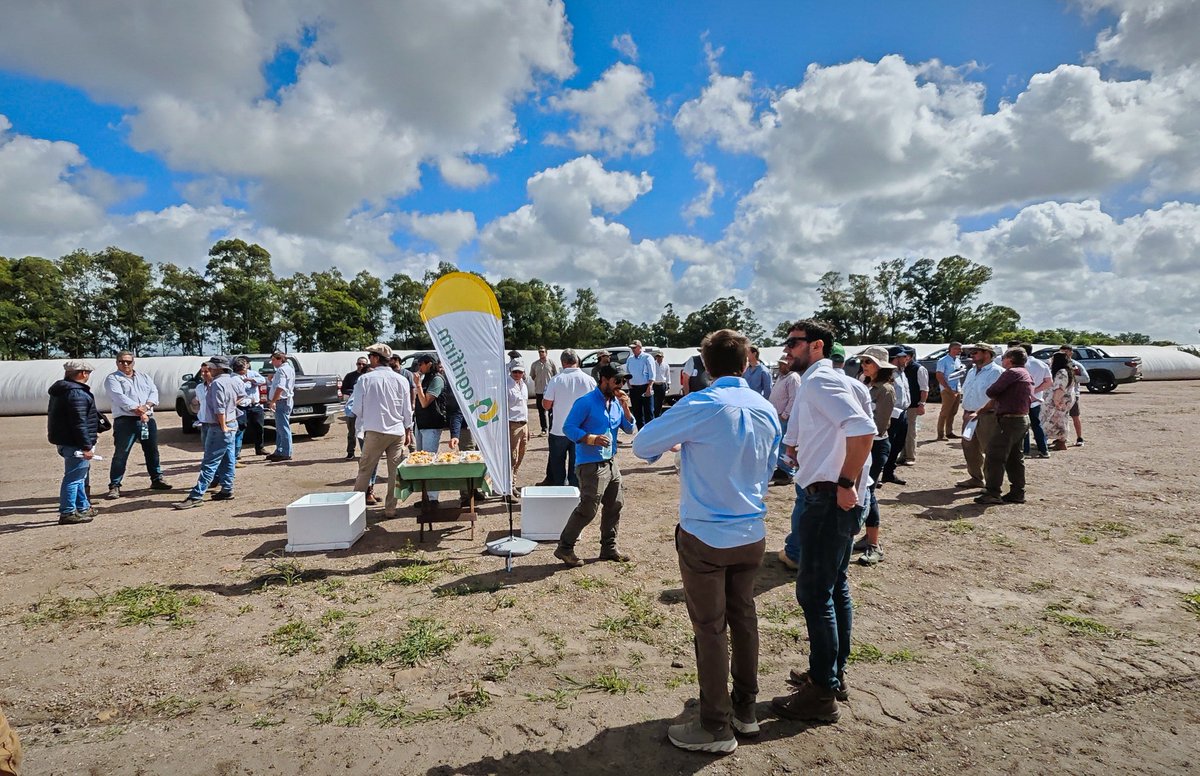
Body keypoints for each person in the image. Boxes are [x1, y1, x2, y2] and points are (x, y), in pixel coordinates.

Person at [631, 329, 780, 753]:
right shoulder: (765, 407)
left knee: (711, 629)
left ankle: (715, 725)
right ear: (747, 363)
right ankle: (745, 710)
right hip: (752, 530)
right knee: (744, 617)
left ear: (704, 365)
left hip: (706, 533)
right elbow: (771, 466)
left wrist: (678, 444)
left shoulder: (701, 403)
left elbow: (643, 444)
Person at [771, 320, 874, 723]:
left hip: (829, 500)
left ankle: (822, 692)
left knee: (816, 595)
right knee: (835, 588)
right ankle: (830, 675)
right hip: (836, 499)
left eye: (794, 343)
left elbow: (863, 432)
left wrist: (845, 481)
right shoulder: (845, 382)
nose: (787, 350)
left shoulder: (819, 382)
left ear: (817, 346)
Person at [554, 363, 635, 567]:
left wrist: (626, 408)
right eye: (618, 380)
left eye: (624, 381)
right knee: (588, 509)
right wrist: (590, 438)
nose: (621, 385)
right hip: (590, 464)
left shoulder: (616, 403)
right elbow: (568, 428)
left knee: (615, 504)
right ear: (604, 380)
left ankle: (608, 548)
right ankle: (564, 547)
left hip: (610, 462)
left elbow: (629, 428)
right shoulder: (586, 402)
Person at [353, 343, 413, 517]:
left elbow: (357, 408)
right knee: (394, 472)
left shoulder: (365, 379)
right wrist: (408, 430)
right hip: (397, 431)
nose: (369, 359)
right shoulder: (401, 379)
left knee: (365, 470)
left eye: (371, 356)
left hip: (374, 430)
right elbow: (407, 409)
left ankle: (354, 511)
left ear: (376, 358)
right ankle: (390, 509)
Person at [103, 351, 171, 498]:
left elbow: (154, 392)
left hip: (147, 419)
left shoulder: (144, 377)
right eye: (121, 361)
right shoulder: (112, 379)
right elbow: (119, 397)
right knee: (121, 453)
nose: (125, 364)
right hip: (126, 421)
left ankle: (156, 478)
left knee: (152, 451)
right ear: (117, 363)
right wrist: (137, 409)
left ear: (133, 362)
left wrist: (146, 407)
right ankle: (115, 484)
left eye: (128, 361)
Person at [176, 356, 240, 508]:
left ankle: (197, 495)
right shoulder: (233, 380)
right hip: (232, 423)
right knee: (227, 458)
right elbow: (240, 397)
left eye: (211, 368)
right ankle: (227, 488)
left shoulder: (217, 383)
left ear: (218, 368)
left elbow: (219, 408)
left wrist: (222, 424)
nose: (208, 371)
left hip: (219, 426)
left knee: (210, 461)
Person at [972, 347, 1033, 505]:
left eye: (1004, 358)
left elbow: (992, 391)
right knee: (1015, 457)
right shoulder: (1024, 372)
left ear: (1011, 359)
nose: (1002, 360)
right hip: (1021, 419)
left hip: (1009, 420)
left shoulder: (1012, 373)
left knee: (994, 456)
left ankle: (993, 492)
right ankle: (1017, 492)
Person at [853, 347, 895, 566]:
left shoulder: (885, 390)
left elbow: (880, 426)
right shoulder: (863, 383)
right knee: (862, 491)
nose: (864, 365)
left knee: (868, 491)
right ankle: (867, 537)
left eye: (868, 361)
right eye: (863, 361)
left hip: (875, 446)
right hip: (862, 443)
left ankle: (874, 544)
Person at [47, 360, 100, 525]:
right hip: (75, 443)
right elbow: (79, 422)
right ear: (83, 373)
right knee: (74, 478)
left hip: (66, 441)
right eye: (88, 373)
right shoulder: (76, 393)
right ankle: (68, 511)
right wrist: (86, 446)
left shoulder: (62, 391)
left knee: (79, 476)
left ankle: (82, 507)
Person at [540, 349, 594, 487]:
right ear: (577, 361)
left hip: (559, 429)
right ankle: (575, 496)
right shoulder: (589, 380)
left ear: (563, 362)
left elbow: (546, 405)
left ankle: (560, 493)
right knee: (576, 466)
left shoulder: (556, 379)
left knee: (557, 465)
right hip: (581, 431)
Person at [958, 344, 1003, 488]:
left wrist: (979, 412)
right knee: (969, 447)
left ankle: (992, 485)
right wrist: (966, 411)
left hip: (987, 416)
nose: (971, 355)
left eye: (975, 352)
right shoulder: (972, 371)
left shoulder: (997, 372)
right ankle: (976, 478)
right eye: (971, 352)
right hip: (969, 415)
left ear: (987, 354)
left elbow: (996, 397)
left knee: (989, 450)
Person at [768, 354, 800, 487]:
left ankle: (788, 472)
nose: (781, 366)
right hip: (778, 415)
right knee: (780, 444)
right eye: (780, 363)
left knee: (785, 444)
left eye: (783, 364)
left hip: (784, 417)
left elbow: (794, 398)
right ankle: (782, 468)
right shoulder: (782, 378)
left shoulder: (793, 378)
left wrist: (785, 414)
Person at [1015, 342, 1052, 459]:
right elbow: (1049, 382)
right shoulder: (1041, 364)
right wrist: (1035, 390)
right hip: (1036, 400)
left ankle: (1025, 451)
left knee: (1023, 426)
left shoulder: (1020, 365)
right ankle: (1044, 450)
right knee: (1037, 425)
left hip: (1021, 400)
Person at [880, 346, 910, 486]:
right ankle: (876, 473)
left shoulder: (902, 372)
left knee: (898, 444)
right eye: (903, 357)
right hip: (891, 414)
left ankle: (889, 473)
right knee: (887, 444)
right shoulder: (888, 373)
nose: (906, 359)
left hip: (903, 413)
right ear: (895, 359)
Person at [233, 357, 267, 458]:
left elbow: (262, 380)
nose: (246, 368)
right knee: (240, 428)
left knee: (259, 427)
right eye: (244, 366)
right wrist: (248, 384)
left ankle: (260, 448)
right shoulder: (234, 377)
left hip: (255, 405)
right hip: (242, 406)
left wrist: (252, 380)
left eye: (246, 365)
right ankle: (236, 452)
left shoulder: (252, 373)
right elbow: (242, 388)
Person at [899, 345, 927, 465]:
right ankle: (902, 455)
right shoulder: (900, 368)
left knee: (910, 431)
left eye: (904, 356)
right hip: (902, 405)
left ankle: (910, 456)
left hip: (913, 405)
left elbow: (924, 389)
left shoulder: (919, 369)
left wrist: (921, 404)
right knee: (902, 431)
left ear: (910, 357)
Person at [266, 351, 296, 462]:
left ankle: (285, 452)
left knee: (283, 428)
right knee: (280, 427)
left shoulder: (281, 370)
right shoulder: (289, 369)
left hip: (282, 401)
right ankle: (280, 450)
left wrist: (273, 400)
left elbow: (281, 387)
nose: (272, 362)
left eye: (274, 360)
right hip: (285, 400)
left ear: (280, 359)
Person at [1044, 352, 1077, 450]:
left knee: (1054, 421)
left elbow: (1059, 388)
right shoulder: (1068, 371)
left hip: (1060, 400)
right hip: (1066, 400)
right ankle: (1061, 441)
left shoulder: (1061, 372)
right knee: (1062, 420)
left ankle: (1061, 442)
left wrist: (1056, 401)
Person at [342, 357, 369, 460]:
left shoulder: (368, 378)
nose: (361, 366)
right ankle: (350, 452)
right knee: (351, 432)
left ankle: (364, 453)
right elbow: (343, 389)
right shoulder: (350, 376)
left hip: (365, 410)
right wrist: (353, 393)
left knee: (364, 432)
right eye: (359, 364)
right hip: (352, 407)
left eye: (363, 364)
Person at [1060, 345, 1088, 446]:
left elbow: (1086, 378)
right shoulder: (1056, 365)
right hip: (1060, 394)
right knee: (1060, 417)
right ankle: (1061, 437)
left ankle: (1079, 438)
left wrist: (1071, 377)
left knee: (1075, 416)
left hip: (1072, 394)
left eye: (1066, 352)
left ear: (1071, 352)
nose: (1064, 354)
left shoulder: (1076, 365)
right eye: (1062, 352)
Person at [935, 342, 963, 440]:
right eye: (956, 348)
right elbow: (939, 375)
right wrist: (947, 388)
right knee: (945, 412)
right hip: (948, 389)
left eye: (959, 349)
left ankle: (949, 432)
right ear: (950, 349)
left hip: (957, 388)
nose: (958, 351)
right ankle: (940, 434)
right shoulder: (943, 361)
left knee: (953, 412)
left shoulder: (958, 360)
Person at [625, 340, 656, 428]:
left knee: (648, 412)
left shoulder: (647, 357)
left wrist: (649, 387)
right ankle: (640, 434)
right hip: (634, 388)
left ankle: (650, 435)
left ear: (639, 347)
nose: (633, 349)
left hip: (645, 387)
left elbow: (652, 374)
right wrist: (629, 385)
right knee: (637, 413)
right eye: (632, 348)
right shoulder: (630, 359)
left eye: (634, 348)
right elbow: (628, 373)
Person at [529, 346, 558, 436]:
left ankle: (552, 428)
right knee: (541, 411)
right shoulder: (535, 364)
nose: (541, 353)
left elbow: (555, 375)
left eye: (542, 351)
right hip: (539, 391)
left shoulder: (551, 363)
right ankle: (543, 428)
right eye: (539, 352)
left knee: (551, 411)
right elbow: (533, 376)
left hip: (550, 390)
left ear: (546, 352)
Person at [508, 362, 530, 481]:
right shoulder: (506, 386)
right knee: (513, 456)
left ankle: (513, 481)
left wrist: (528, 426)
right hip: (513, 424)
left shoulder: (524, 385)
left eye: (520, 372)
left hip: (523, 424)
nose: (517, 374)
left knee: (521, 453)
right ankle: (509, 485)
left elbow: (524, 406)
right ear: (511, 372)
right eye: (515, 372)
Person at [652, 350, 671, 417]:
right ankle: (654, 414)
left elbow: (668, 375)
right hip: (654, 384)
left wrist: (668, 384)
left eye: (660, 357)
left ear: (663, 357)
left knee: (660, 401)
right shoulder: (653, 364)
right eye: (657, 356)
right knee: (653, 401)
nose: (659, 358)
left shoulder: (666, 365)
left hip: (662, 385)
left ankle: (658, 415)